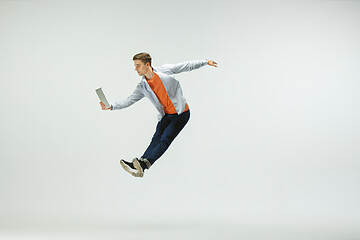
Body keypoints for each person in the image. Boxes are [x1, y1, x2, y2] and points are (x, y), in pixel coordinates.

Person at [100, 52, 217, 177]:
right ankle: (140, 165)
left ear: (147, 64)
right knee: (156, 139)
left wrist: (205, 62)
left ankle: (144, 164)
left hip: (181, 114)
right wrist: (111, 106)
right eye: (135, 66)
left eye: (138, 65)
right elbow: (129, 100)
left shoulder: (165, 71)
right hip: (166, 115)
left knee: (164, 139)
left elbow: (185, 66)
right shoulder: (143, 86)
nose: (136, 69)